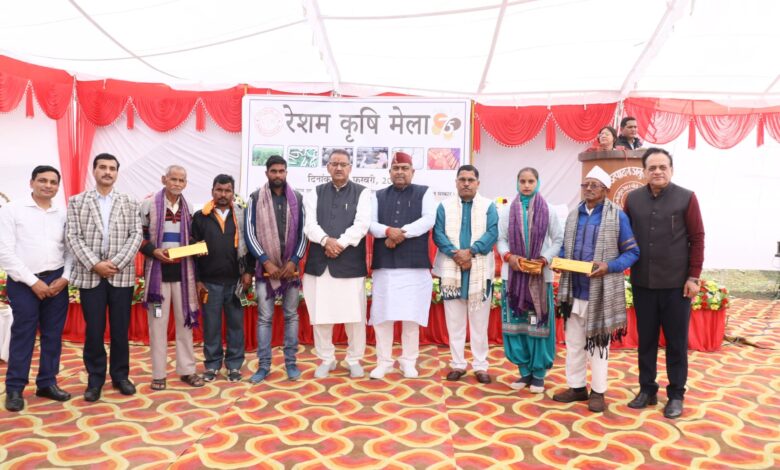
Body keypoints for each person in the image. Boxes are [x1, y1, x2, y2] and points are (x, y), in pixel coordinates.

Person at [624, 148, 705, 419]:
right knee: (645, 341)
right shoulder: (633, 199)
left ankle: (676, 395)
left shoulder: (687, 198)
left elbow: (698, 238)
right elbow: (624, 236)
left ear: (671, 169)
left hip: (676, 286)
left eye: (663, 167)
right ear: (644, 172)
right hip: (643, 283)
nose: (657, 172)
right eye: (652, 168)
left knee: (676, 343)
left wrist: (693, 277)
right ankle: (647, 390)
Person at [553, 166, 639, 412]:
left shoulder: (617, 216)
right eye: (585, 184)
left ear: (606, 190)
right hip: (574, 290)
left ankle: (598, 392)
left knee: (599, 346)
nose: (588, 189)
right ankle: (577, 387)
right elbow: (565, 247)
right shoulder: (574, 215)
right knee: (574, 343)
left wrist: (609, 266)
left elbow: (633, 252)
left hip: (600, 292)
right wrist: (560, 261)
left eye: (594, 185)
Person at [66, 153, 143, 402]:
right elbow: (73, 237)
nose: (107, 172)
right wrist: (95, 264)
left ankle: (120, 376)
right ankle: (95, 379)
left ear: (117, 172)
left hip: (121, 276)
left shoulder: (129, 201)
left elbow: (136, 235)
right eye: (103, 167)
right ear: (94, 170)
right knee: (94, 330)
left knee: (120, 329)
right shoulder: (77, 201)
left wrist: (115, 263)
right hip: (91, 276)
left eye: (112, 168)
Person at [0, 166, 73, 412]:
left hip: (56, 281)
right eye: (42, 180)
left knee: (53, 335)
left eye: (53, 182)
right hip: (23, 282)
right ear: (31, 182)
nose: (48, 185)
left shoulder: (63, 214)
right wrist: (32, 281)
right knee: (24, 334)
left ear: (58, 186)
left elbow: (70, 250)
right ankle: (14, 388)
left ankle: (47, 383)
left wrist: (66, 277)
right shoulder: (12, 210)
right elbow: (4, 252)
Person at [303, 149, 371, 379]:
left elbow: (362, 225)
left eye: (343, 164)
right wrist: (325, 241)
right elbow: (309, 224)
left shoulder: (362, 192)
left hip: (350, 263)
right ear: (328, 167)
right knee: (321, 314)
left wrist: (338, 244)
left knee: (354, 316)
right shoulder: (315, 192)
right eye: (334, 164)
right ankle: (326, 358)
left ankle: (354, 359)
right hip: (320, 262)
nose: (339, 168)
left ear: (350, 167)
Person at [368, 151, 436, 379]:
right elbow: (370, 224)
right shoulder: (378, 195)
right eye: (396, 168)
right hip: (385, 266)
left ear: (412, 172)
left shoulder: (424, 192)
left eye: (404, 168)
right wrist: (388, 231)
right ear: (389, 172)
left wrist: (400, 234)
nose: (400, 172)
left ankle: (409, 361)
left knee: (411, 315)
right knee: (382, 316)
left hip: (414, 265)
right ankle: (384, 362)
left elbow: (428, 220)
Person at [497, 167, 563, 393]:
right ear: (517, 183)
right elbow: (501, 239)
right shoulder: (507, 211)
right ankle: (524, 371)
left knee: (538, 324)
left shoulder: (549, 210)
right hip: (514, 278)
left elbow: (558, 239)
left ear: (538, 183)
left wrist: (544, 259)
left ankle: (539, 374)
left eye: (531, 181)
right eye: (523, 181)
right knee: (516, 325)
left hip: (539, 277)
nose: (526, 185)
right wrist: (509, 257)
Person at [139, 165, 203, 391]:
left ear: (185, 183)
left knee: (185, 324)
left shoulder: (189, 207)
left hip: (183, 276)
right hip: (157, 276)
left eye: (181, 180)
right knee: (158, 325)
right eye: (173, 179)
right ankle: (158, 374)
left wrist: (198, 247)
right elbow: (139, 237)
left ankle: (187, 370)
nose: (177, 183)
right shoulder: (148, 205)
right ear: (163, 179)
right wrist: (154, 251)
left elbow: (190, 239)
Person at [433, 164, 498, 384]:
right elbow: (438, 234)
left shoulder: (489, 206)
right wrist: (456, 254)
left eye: (471, 180)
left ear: (478, 183)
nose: (466, 184)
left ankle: (480, 365)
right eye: (462, 180)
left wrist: (470, 252)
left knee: (480, 324)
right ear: (456, 182)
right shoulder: (444, 206)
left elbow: (492, 233)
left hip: (479, 272)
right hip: (452, 270)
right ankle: (458, 364)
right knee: (455, 322)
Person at [245, 155, 306, 383]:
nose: (278, 175)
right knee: (265, 318)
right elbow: (249, 233)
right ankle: (263, 366)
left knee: (291, 316)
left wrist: (293, 261)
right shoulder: (255, 198)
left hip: (291, 270)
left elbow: (303, 233)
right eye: (274, 171)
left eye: (281, 171)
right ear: (267, 173)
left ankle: (291, 363)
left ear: (286, 173)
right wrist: (265, 261)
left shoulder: (297, 198)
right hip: (265, 271)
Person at [191, 174, 254, 383]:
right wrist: (198, 279)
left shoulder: (242, 216)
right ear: (212, 191)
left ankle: (234, 365)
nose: (223, 194)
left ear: (233, 193)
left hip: (236, 282)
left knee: (236, 326)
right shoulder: (200, 217)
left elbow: (250, 246)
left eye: (227, 190)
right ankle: (212, 365)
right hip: (209, 282)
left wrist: (248, 272)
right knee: (211, 326)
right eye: (219, 190)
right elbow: (193, 251)